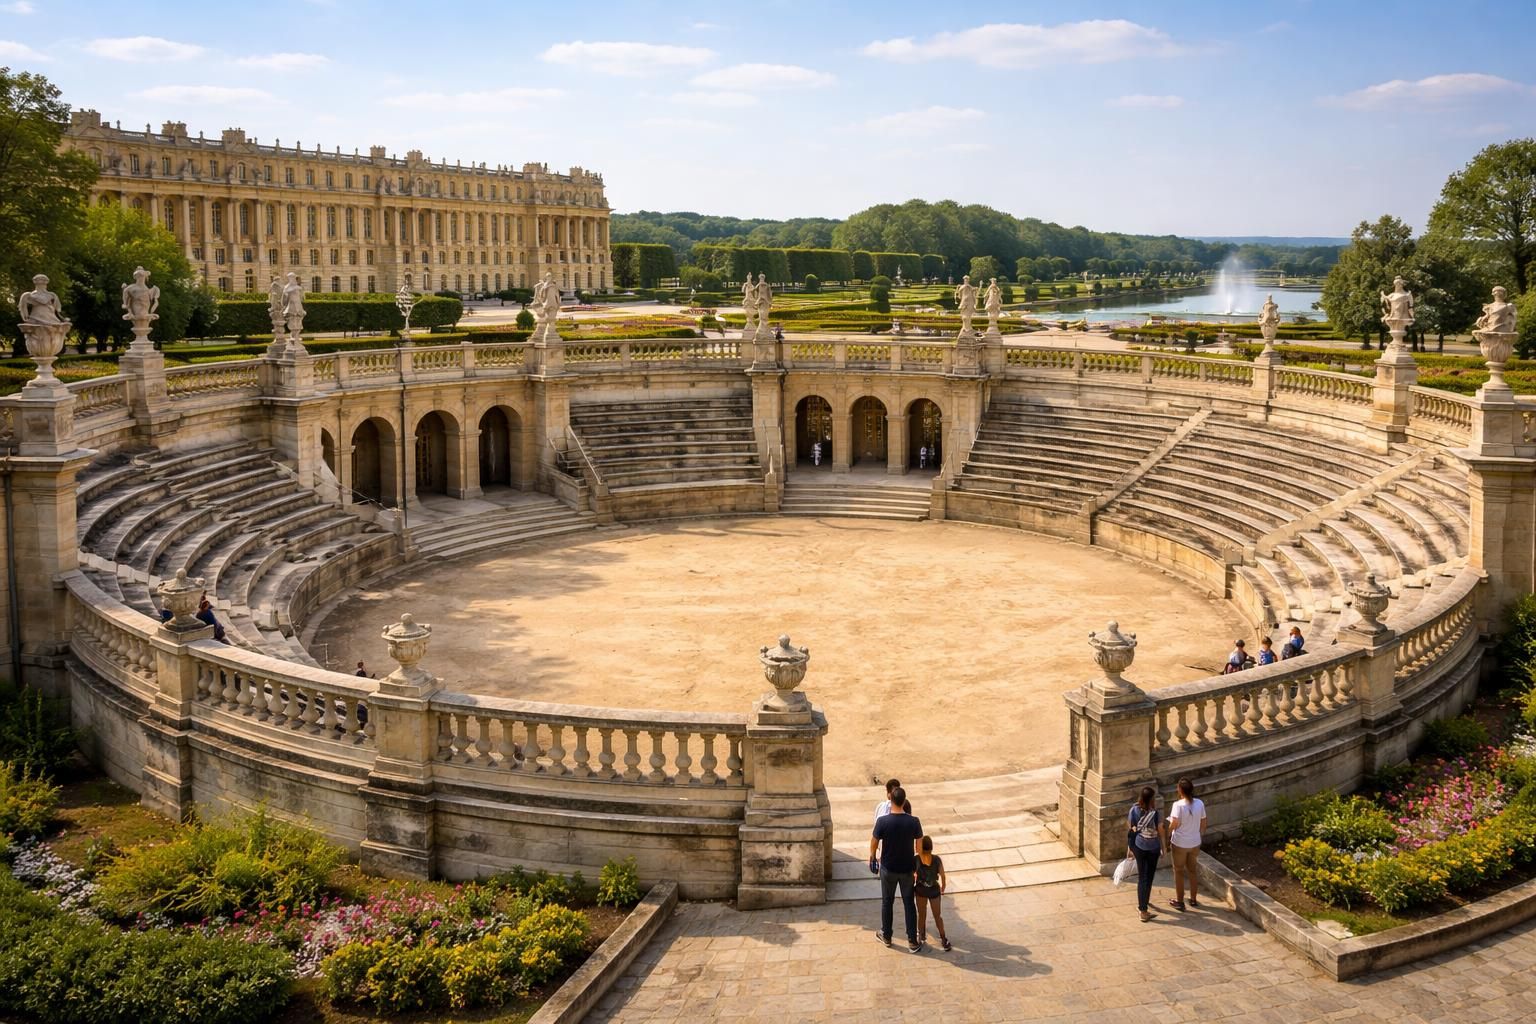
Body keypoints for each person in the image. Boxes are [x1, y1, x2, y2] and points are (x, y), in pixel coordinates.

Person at [869, 786, 924, 952]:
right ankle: (912, 941)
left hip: (888, 868)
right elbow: (919, 848)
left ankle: (886, 936)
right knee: (909, 903)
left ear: (890, 800)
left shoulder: (882, 821)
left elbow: (874, 842)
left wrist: (873, 857)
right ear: (904, 801)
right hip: (907, 868)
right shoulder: (914, 822)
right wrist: (918, 867)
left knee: (887, 902)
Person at [1127, 785, 1166, 923]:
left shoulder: (1134, 810)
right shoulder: (1155, 813)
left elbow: (1131, 828)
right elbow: (1161, 830)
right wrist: (1164, 847)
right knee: (1148, 877)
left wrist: (1129, 848)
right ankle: (1143, 909)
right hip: (1153, 848)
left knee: (1142, 877)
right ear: (1151, 799)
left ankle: (1143, 903)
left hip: (1139, 846)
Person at [1167, 777, 1207, 912]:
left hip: (1180, 843)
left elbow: (1174, 823)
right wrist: (1198, 835)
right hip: (1195, 842)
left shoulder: (1177, 805)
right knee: (1192, 870)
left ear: (1180, 790)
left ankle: (1180, 901)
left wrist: (1168, 834)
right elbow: (1203, 823)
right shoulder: (1200, 803)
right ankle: (1193, 899)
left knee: (1178, 871)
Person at [914, 836, 950, 951]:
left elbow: (911, 875)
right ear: (931, 847)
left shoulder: (916, 859)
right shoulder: (937, 859)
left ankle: (921, 936)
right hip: (934, 890)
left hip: (920, 890)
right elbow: (943, 876)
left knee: (921, 914)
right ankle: (943, 938)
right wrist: (943, 887)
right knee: (937, 916)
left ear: (920, 847)